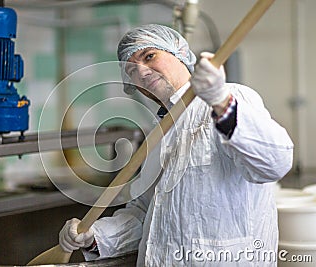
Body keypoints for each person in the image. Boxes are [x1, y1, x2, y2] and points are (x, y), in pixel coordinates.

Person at [58, 24, 294, 266]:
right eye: (131, 69)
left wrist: (221, 102)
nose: (141, 72)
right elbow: (145, 212)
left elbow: (274, 163)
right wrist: (95, 237)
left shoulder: (233, 99)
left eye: (149, 56)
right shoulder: (159, 133)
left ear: (178, 52)